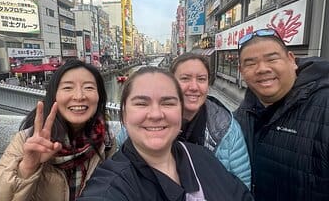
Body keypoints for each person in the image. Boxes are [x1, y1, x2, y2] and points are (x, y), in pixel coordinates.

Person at [78, 66, 253, 201]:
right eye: (141, 103)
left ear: (180, 112)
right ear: (124, 114)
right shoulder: (111, 186)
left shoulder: (202, 157)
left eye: (168, 103)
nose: (156, 114)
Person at [0, 59, 116, 201]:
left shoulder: (105, 140)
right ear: (54, 96)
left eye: (89, 87)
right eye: (67, 88)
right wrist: (27, 167)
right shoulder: (27, 141)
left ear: (99, 96)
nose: (79, 96)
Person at [234, 28, 329, 201]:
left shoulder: (324, 105)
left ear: (292, 60)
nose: (262, 69)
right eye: (250, 63)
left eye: (272, 59)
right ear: (241, 71)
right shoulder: (241, 115)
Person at [169, 53, 251, 188]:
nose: (194, 87)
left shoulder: (227, 129)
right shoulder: (147, 124)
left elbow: (242, 188)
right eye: (185, 78)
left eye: (201, 79)